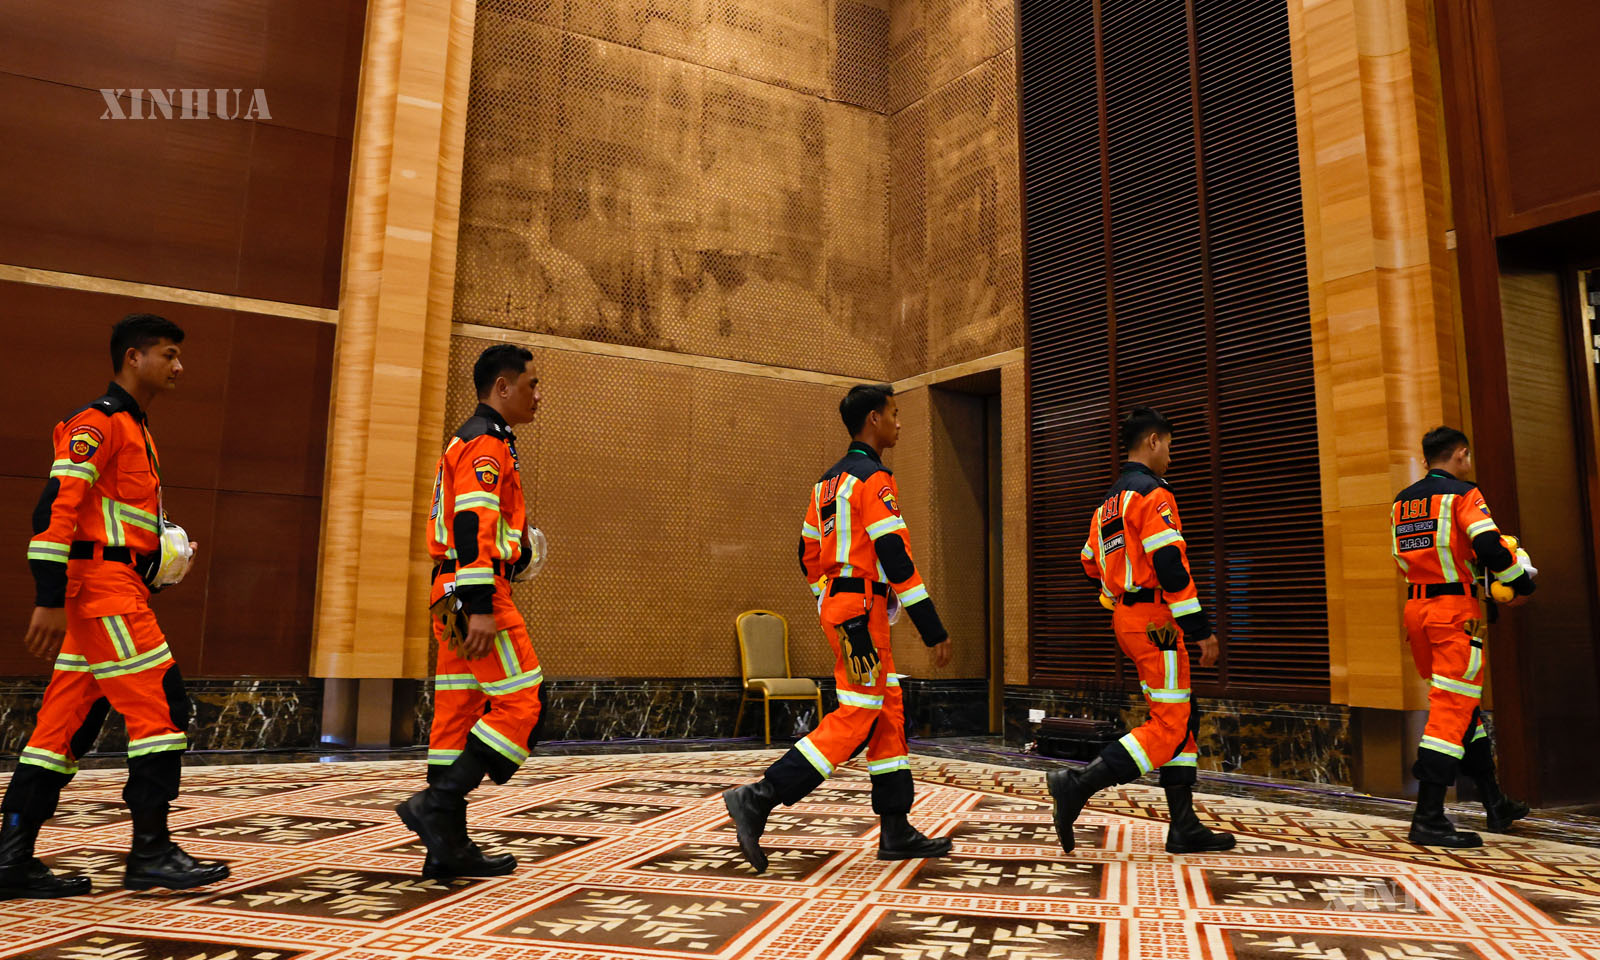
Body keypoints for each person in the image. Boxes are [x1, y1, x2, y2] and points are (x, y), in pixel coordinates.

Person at [1, 314, 229, 899]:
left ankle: (10, 857)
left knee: (61, 727)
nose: (179, 367)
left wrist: (161, 555)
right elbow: (53, 509)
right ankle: (151, 852)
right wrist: (48, 597)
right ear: (134, 357)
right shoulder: (97, 423)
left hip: (111, 589)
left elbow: (112, 520)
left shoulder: (135, 427)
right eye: (169, 355)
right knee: (162, 710)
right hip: (104, 595)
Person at [723, 384, 953, 874]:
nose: (899, 423)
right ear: (873, 419)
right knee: (858, 713)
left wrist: (827, 596)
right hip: (859, 612)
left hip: (849, 606)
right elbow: (894, 555)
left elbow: (806, 552)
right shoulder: (873, 478)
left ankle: (895, 827)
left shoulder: (826, 484)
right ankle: (758, 797)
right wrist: (932, 628)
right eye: (894, 413)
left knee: (887, 710)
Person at [1047, 406, 1234, 855]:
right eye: (1168, 444)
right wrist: (1200, 628)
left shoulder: (1108, 504)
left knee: (1182, 716)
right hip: (1156, 622)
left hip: (1130, 619)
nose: (1171, 454)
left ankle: (1183, 824)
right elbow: (1169, 563)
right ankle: (1077, 785)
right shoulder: (1154, 494)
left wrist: (1115, 590)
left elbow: (1088, 561)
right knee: (1169, 723)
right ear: (1152, 441)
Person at [397, 344, 546, 878]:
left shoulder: (475, 438)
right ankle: (436, 806)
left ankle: (447, 847)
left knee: (458, 715)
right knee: (525, 702)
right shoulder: (486, 442)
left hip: (451, 590)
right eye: (531, 384)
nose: (538, 395)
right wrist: (481, 605)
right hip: (474, 592)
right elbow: (471, 523)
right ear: (502, 386)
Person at [1390, 426, 1533, 847]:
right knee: (1450, 711)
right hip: (1454, 613)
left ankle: (1494, 802)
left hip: (1417, 611)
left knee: (1461, 706)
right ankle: (1429, 818)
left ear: (1425, 458)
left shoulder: (1402, 501)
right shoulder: (1463, 494)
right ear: (1461, 454)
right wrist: (1520, 583)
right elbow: (1488, 545)